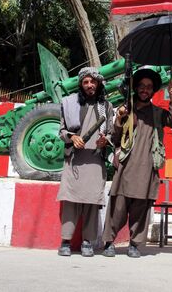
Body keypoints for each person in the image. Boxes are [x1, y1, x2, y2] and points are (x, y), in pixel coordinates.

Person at [102, 68, 172, 258]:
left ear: (153, 91)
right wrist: (120, 119)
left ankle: (135, 244)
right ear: (136, 88)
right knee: (118, 205)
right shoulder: (126, 109)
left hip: (147, 167)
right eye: (142, 86)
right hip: (126, 166)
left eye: (149, 87)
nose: (145, 90)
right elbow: (115, 136)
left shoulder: (157, 113)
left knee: (141, 206)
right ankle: (108, 242)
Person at [57, 67, 113, 257]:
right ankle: (65, 241)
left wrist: (105, 140)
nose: (90, 85)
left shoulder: (106, 106)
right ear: (81, 84)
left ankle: (87, 242)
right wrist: (72, 138)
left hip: (95, 159)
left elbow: (112, 132)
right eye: (86, 82)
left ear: (98, 84)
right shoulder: (70, 103)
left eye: (93, 82)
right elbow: (62, 131)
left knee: (91, 202)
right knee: (70, 201)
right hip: (74, 159)